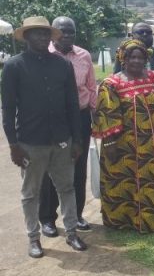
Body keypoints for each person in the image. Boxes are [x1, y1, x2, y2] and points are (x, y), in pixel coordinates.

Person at [0, 16, 87, 258]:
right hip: (30, 141)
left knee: (67, 188)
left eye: (45, 33)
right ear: (26, 36)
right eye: (36, 33)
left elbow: (72, 105)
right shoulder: (14, 66)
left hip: (62, 140)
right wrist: (13, 145)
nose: (42, 37)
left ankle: (71, 233)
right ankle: (33, 238)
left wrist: (77, 140)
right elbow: (8, 109)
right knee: (31, 193)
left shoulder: (63, 65)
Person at [92, 39, 154, 232]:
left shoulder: (153, 78)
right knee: (127, 181)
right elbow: (107, 116)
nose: (137, 61)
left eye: (141, 57)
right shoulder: (111, 84)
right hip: (126, 147)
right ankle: (126, 220)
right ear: (123, 59)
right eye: (132, 57)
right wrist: (110, 144)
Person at [38, 17, 97, 236]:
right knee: (49, 170)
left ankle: (76, 215)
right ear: (54, 33)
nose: (68, 36)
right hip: (52, 119)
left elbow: (91, 87)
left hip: (80, 117)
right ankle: (48, 219)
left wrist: (94, 113)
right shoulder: (44, 54)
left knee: (78, 168)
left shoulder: (84, 55)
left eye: (72, 32)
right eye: (63, 32)